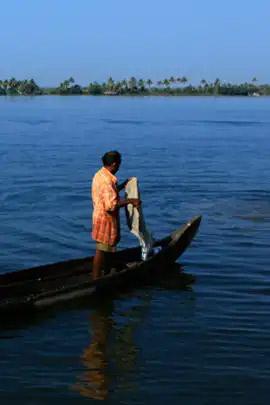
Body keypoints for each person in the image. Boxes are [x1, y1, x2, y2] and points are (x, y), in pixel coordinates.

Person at [91, 151, 140, 279]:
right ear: (114, 164)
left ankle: (107, 270)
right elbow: (111, 205)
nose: (119, 167)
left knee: (106, 247)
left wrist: (123, 185)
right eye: (119, 164)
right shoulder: (107, 181)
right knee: (101, 249)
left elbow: (109, 193)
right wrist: (131, 201)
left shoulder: (100, 174)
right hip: (105, 219)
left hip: (98, 215)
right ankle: (96, 279)